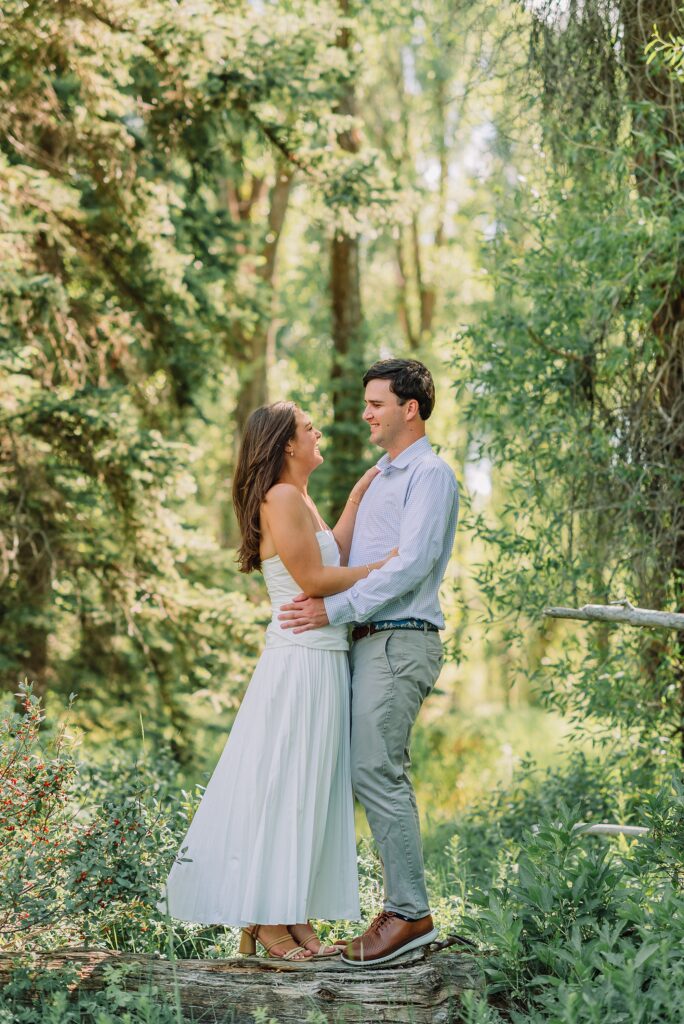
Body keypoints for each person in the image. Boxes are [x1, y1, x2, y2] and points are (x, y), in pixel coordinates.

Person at [159, 401, 396, 962]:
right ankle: (265, 919)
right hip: (299, 661)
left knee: (309, 788)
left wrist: (356, 499)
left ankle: (292, 912)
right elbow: (314, 578)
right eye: (309, 428)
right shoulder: (281, 497)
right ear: (288, 444)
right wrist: (385, 567)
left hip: (324, 657)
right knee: (284, 784)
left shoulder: (300, 498)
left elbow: (331, 552)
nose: (319, 433)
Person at [279, 358, 459, 965]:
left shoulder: (429, 475)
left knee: (377, 771)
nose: (365, 414)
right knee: (358, 771)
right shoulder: (382, 478)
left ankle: (409, 914)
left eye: (377, 404)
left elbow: (412, 565)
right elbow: (343, 556)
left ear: (411, 408)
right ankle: (377, 911)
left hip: (400, 638)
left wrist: (333, 610)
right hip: (365, 639)